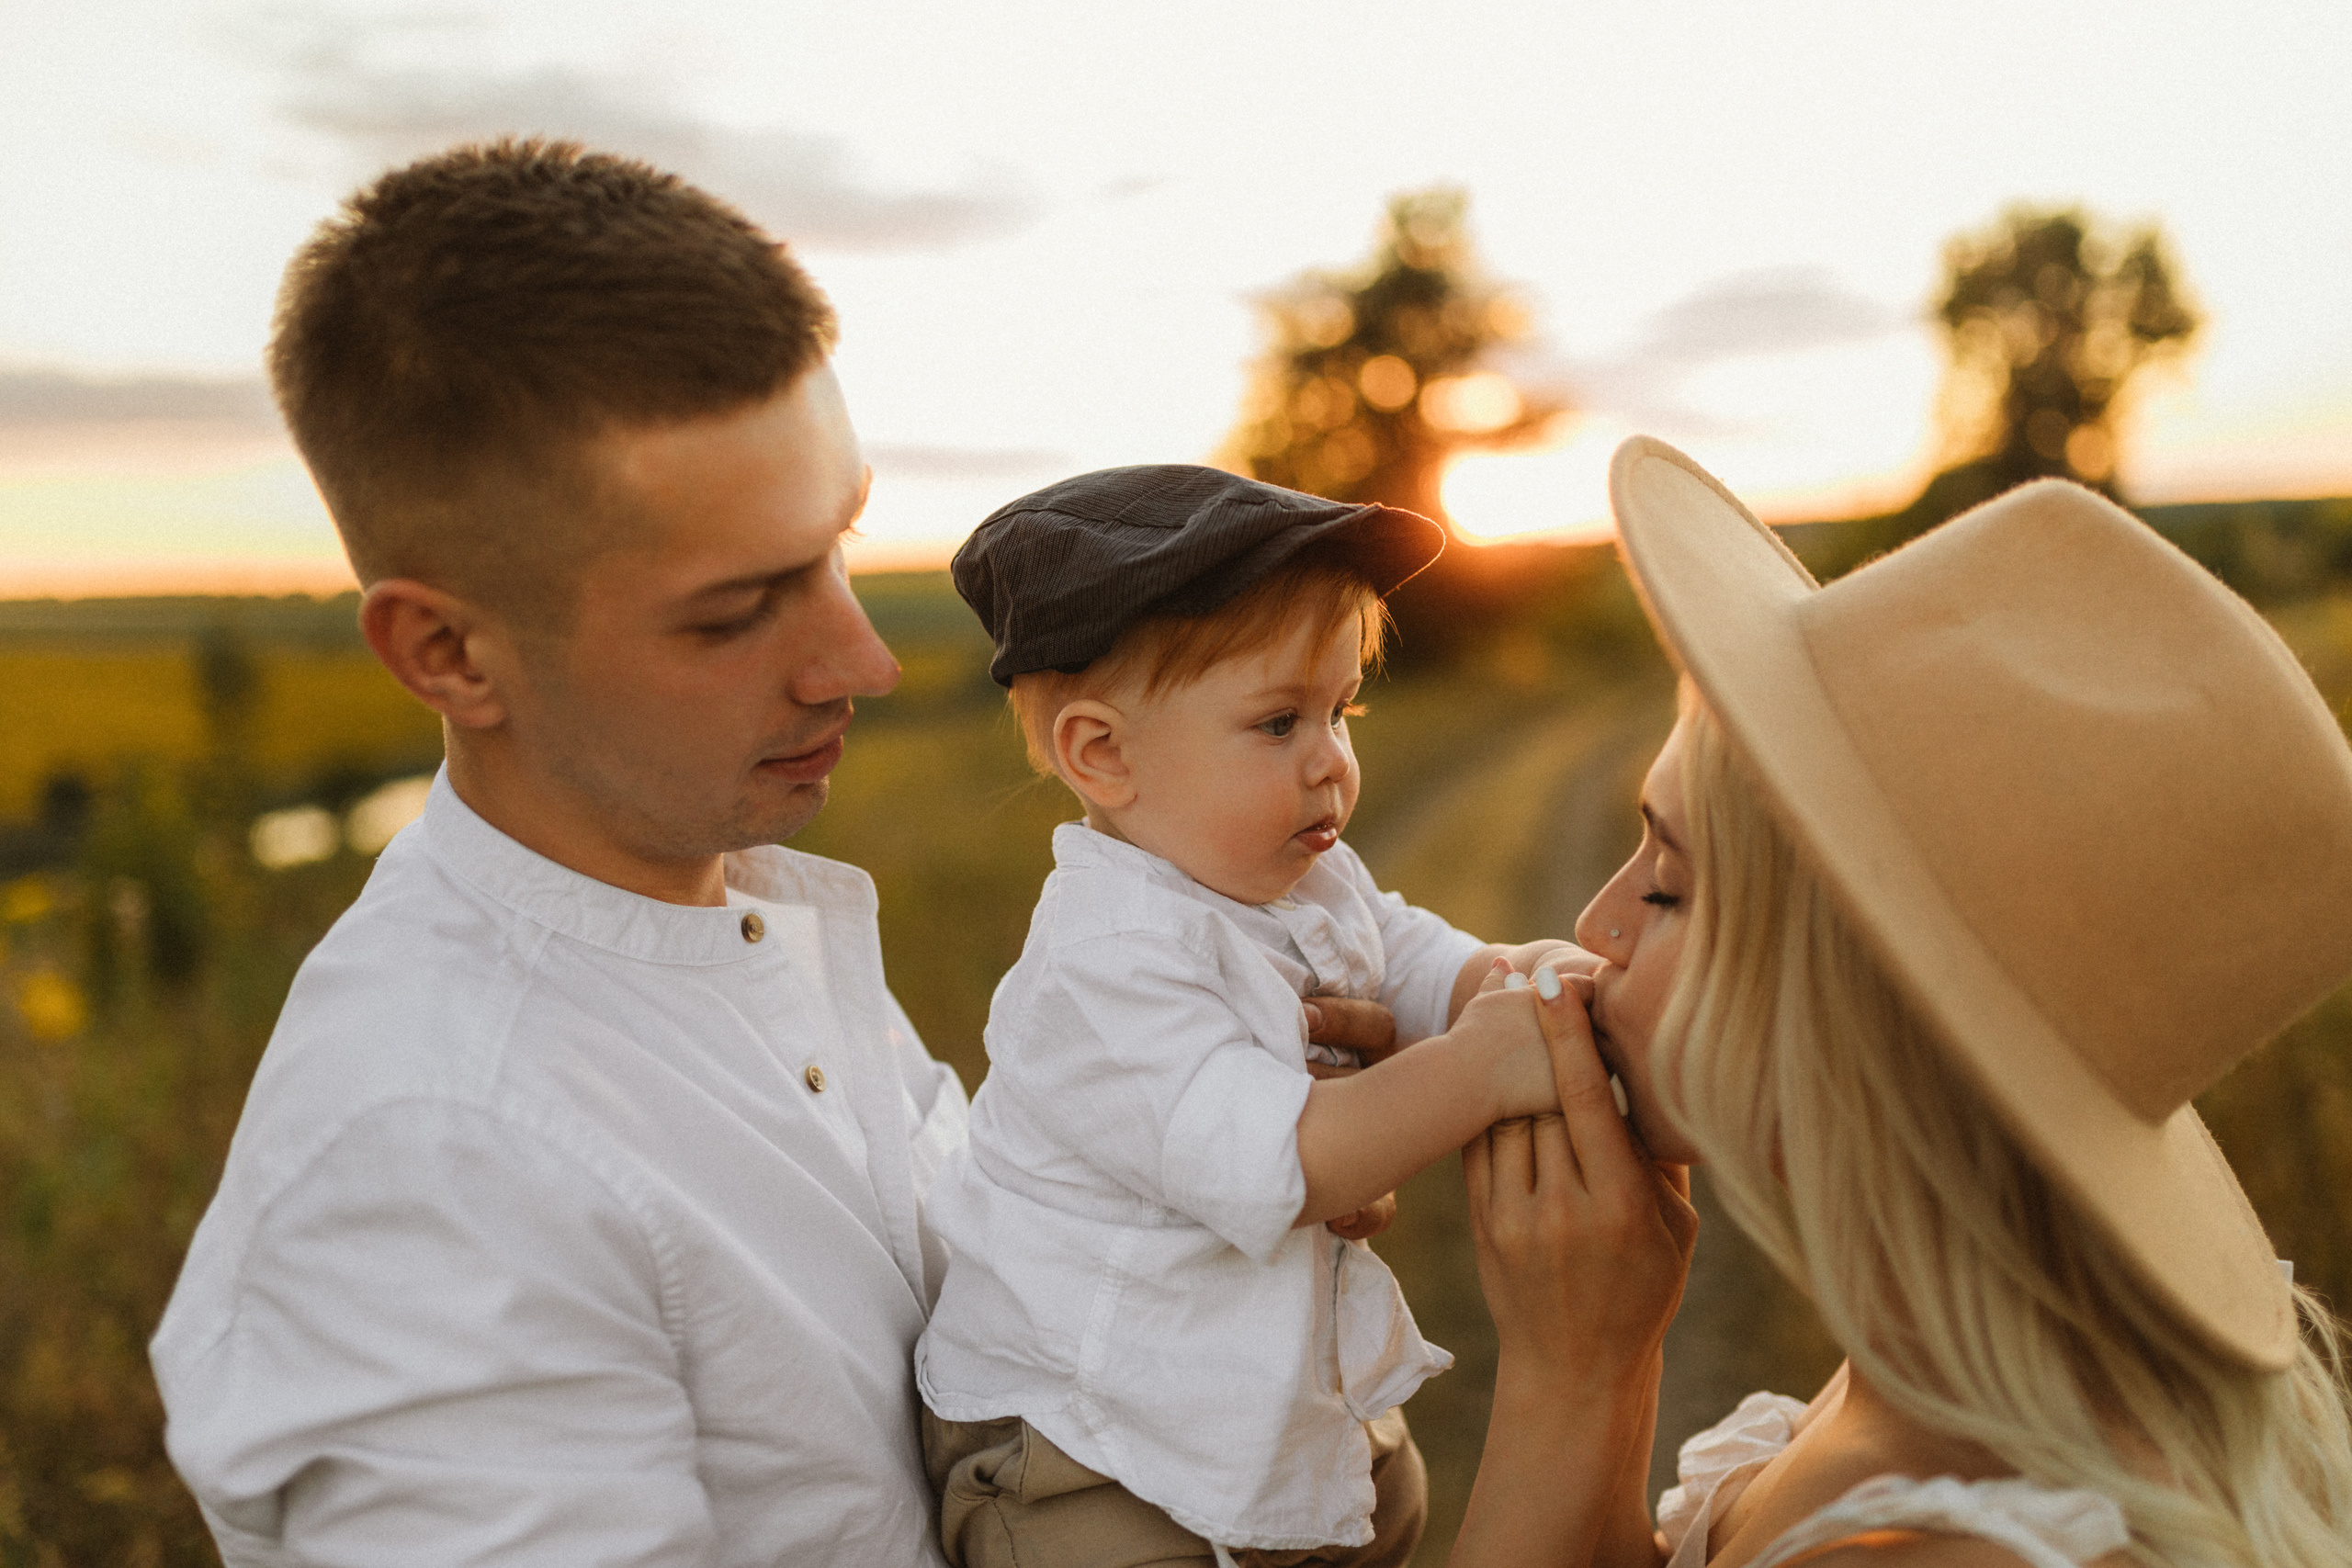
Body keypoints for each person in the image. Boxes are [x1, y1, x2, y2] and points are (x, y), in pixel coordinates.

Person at [144, 141, 1403, 1566]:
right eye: (737, 608)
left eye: (839, 544)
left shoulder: (738, 910)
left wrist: (1202, 1194)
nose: (861, 659)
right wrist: (1565, 1383)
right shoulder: (432, 1183)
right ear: (449, 651)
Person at [1455, 436, 2352, 1566]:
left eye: (1670, 887)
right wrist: (1607, 1356)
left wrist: (1565, 1381)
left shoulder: (1940, 1547)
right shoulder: (1938, 1383)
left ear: (1857, 1004)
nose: (1597, 926)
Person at [915, 466, 1601, 1568]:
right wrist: (1482, 1067)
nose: (1329, 759)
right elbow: (1288, 1160)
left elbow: (1412, 959)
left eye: (1342, 710)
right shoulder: (1106, 961)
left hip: (1219, 1394)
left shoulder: (1296, 876)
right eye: (1279, 721)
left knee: (1386, 1499)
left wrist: (1518, 978)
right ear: (1103, 755)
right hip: (1085, 1445)